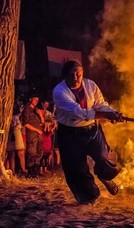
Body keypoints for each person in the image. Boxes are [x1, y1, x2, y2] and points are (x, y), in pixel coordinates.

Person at [53, 60, 123, 205]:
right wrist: (105, 115)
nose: (75, 78)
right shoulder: (59, 91)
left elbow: (101, 104)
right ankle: (89, 198)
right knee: (77, 169)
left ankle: (105, 176)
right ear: (65, 75)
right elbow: (78, 113)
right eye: (72, 74)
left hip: (91, 130)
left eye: (78, 74)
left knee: (106, 158)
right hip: (69, 134)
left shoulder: (90, 85)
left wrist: (112, 113)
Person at [21, 92, 44, 178]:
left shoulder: (36, 110)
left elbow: (42, 122)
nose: (36, 101)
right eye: (34, 99)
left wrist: (41, 115)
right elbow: (25, 123)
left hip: (39, 135)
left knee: (39, 152)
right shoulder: (27, 109)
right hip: (32, 134)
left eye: (37, 100)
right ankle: (30, 172)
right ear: (31, 99)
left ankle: (36, 170)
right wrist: (36, 130)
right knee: (31, 152)